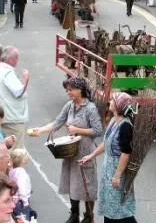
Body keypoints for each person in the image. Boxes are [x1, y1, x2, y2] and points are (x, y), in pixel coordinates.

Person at [29, 77, 103, 223]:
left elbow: (98, 130)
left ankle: (89, 216)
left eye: (70, 90)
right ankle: (74, 214)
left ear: (80, 90)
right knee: (72, 182)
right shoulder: (69, 106)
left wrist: (78, 129)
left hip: (85, 151)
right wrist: (40, 130)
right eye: (67, 90)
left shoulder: (90, 108)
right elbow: (57, 122)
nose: (68, 92)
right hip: (71, 150)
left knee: (86, 182)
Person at [79, 92, 137, 223]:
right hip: (108, 168)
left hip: (117, 169)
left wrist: (117, 175)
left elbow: (126, 152)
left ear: (119, 106)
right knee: (110, 206)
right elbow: (106, 143)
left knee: (120, 208)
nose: (110, 101)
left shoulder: (125, 125)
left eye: (113, 100)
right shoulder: (113, 120)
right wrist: (91, 155)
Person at [0, 46, 29, 150]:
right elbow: (18, 91)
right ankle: (14, 167)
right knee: (16, 151)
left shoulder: (0, 70)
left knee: (7, 149)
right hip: (12, 118)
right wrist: (26, 80)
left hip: (5, 116)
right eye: (17, 57)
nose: (18, 59)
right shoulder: (7, 73)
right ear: (11, 59)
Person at [9, 149, 36, 221]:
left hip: (14, 199)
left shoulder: (12, 171)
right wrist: (25, 202)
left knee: (16, 218)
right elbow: (21, 188)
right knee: (23, 219)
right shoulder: (21, 174)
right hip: (20, 201)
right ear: (24, 161)